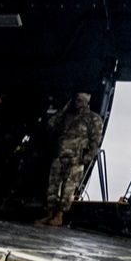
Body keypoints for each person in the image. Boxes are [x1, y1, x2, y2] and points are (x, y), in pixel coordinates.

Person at [38, 93, 104, 227]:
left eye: (80, 100)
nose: (76, 103)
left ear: (87, 102)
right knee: (52, 187)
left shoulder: (93, 118)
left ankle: (59, 216)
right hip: (60, 156)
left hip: (76, 159)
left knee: (68, 189)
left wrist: (88, 157)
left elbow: (95, 139)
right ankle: (50, 214)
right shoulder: (66, 116)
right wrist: (62, 111)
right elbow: (50, 126)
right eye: (75, 100)